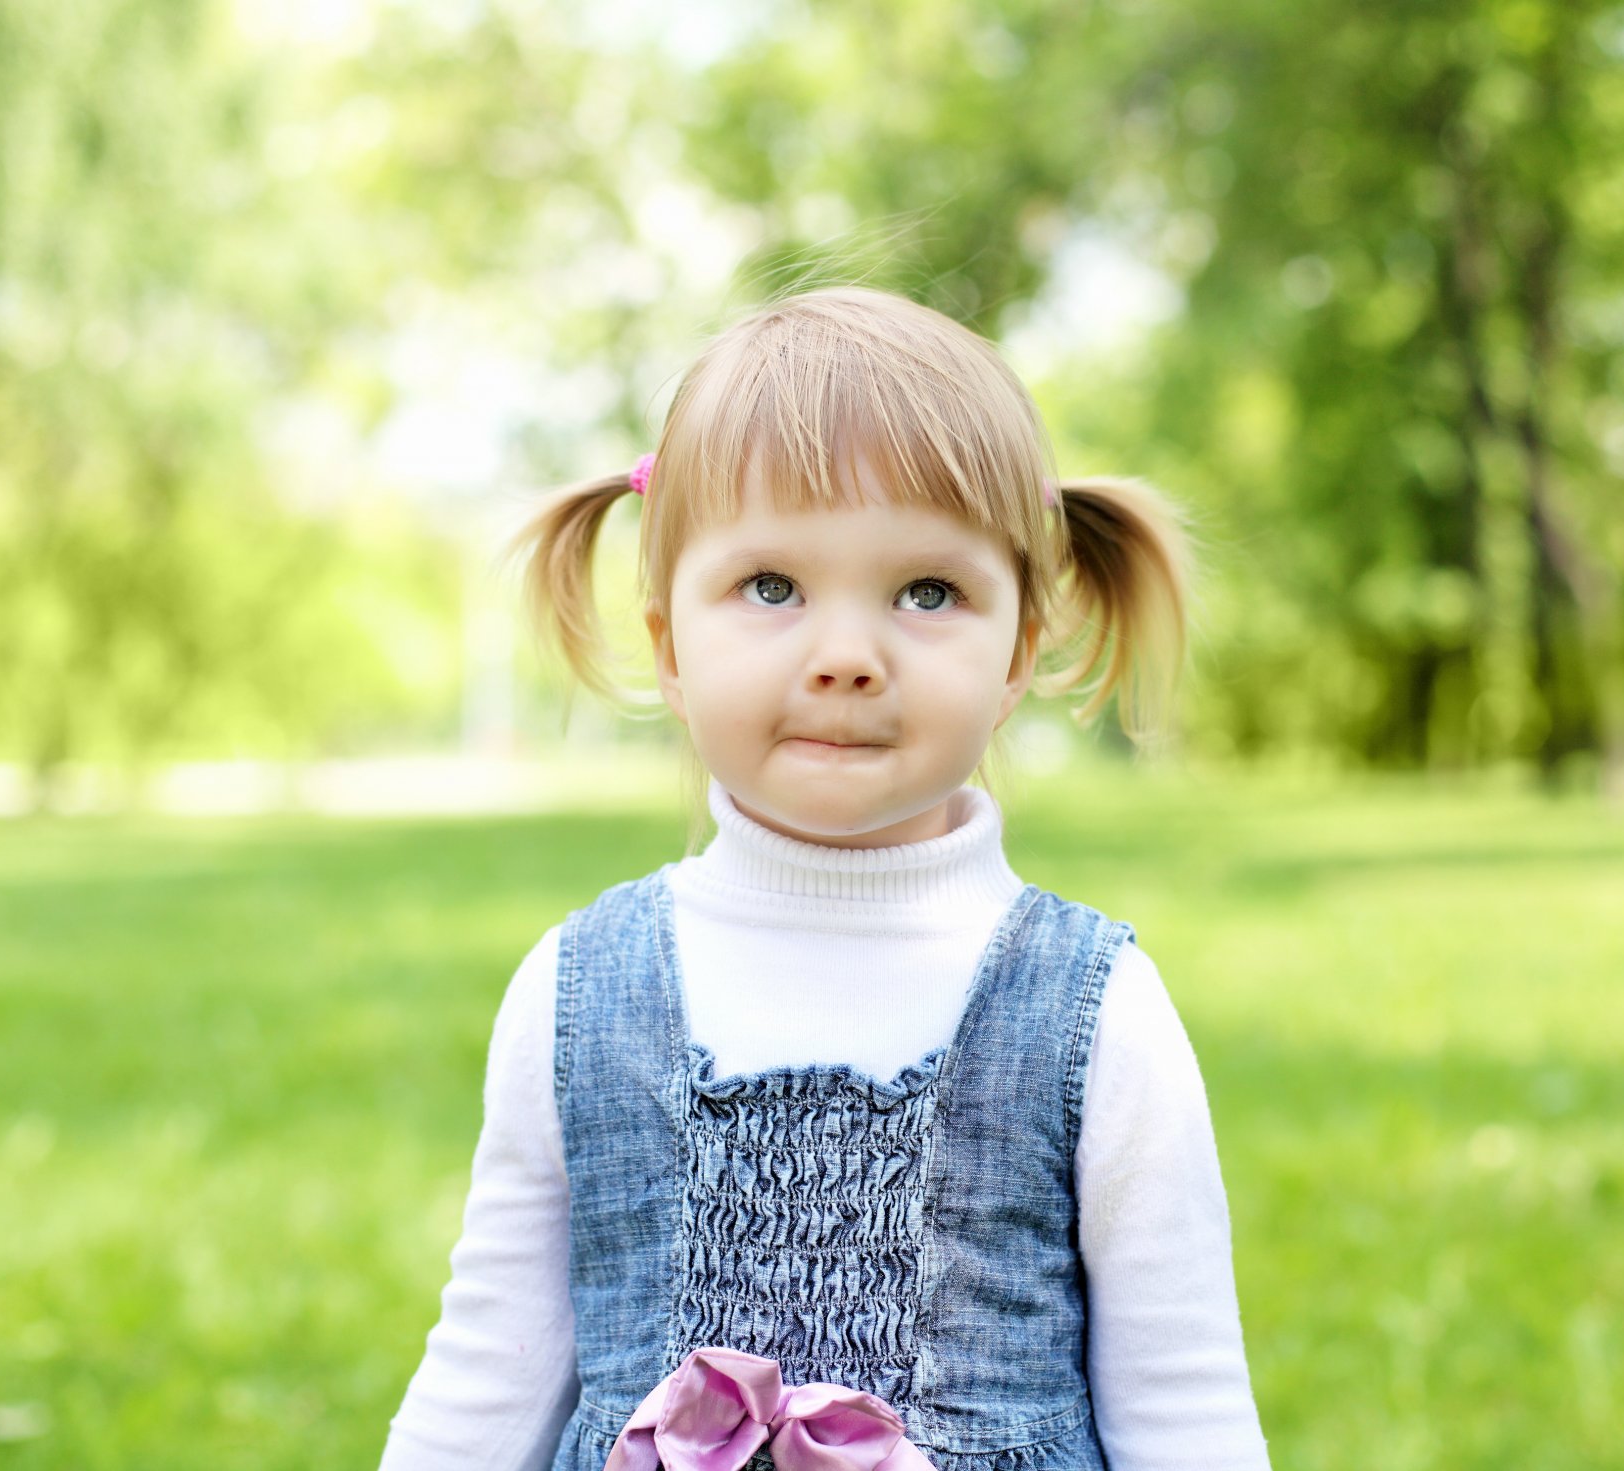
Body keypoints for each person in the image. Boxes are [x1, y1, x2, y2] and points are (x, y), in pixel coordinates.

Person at [379, 286, 1270, 1471]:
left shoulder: (1094, 1010)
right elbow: (486, 1379)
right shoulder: (576, 992)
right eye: (771, 589)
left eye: (926, 593)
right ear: (669, 644)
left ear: (1016, 652)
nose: (847, 656)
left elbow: (1187, 1408)